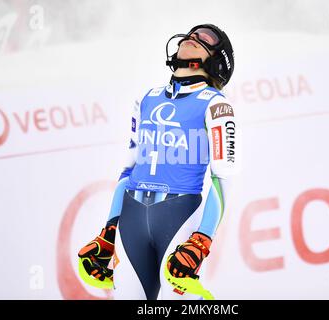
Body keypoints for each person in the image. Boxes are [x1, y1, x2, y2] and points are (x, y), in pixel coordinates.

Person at [78, 23, 237, 300]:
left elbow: (222, 178)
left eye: (206, 38)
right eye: (191, 33)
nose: (193, 37)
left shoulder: (216, 104)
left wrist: (202, 240)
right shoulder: (146, 98)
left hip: (181, 217)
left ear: (216, 61)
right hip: (132, 219)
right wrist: (109, 229)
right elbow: (128, 169)